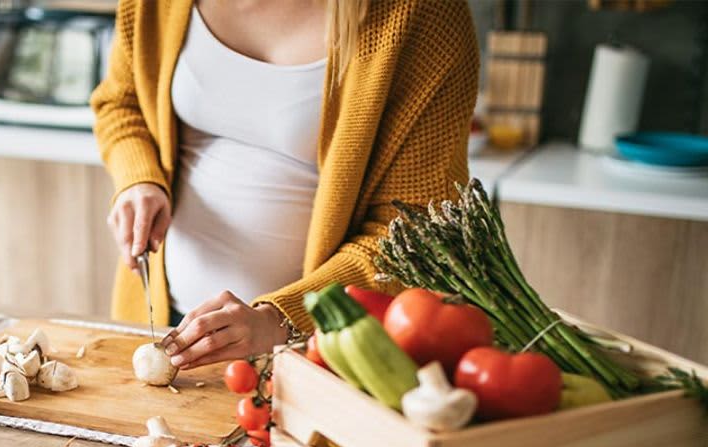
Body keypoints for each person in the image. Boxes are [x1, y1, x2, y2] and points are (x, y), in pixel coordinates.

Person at [91, 0, 479, 370]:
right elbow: (121, 103)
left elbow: (418, 232)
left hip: (324, 349)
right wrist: (139, 179)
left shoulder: (419, 14)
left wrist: (281, 319)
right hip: (164, 324)